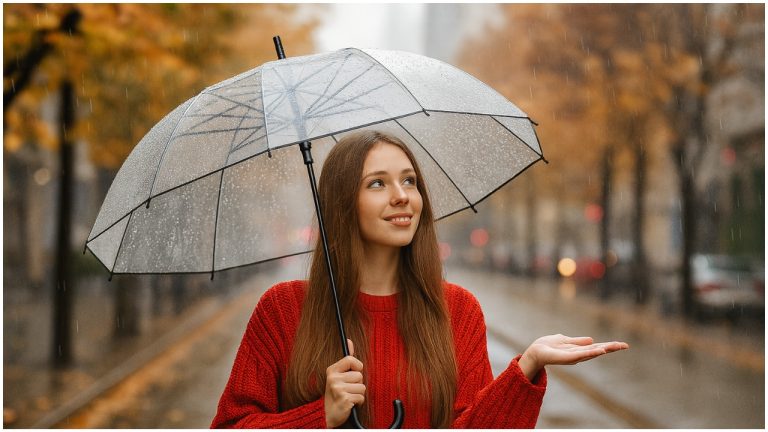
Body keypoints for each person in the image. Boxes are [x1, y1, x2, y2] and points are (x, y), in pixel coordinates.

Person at [211, 130, 629, 429]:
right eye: (378, 183)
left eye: (409, 181)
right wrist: (320, 415)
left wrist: (528, 366)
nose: (402, 196)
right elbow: (232, 425)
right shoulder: (283, 309)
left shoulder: (456, 310)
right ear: (341, 205)